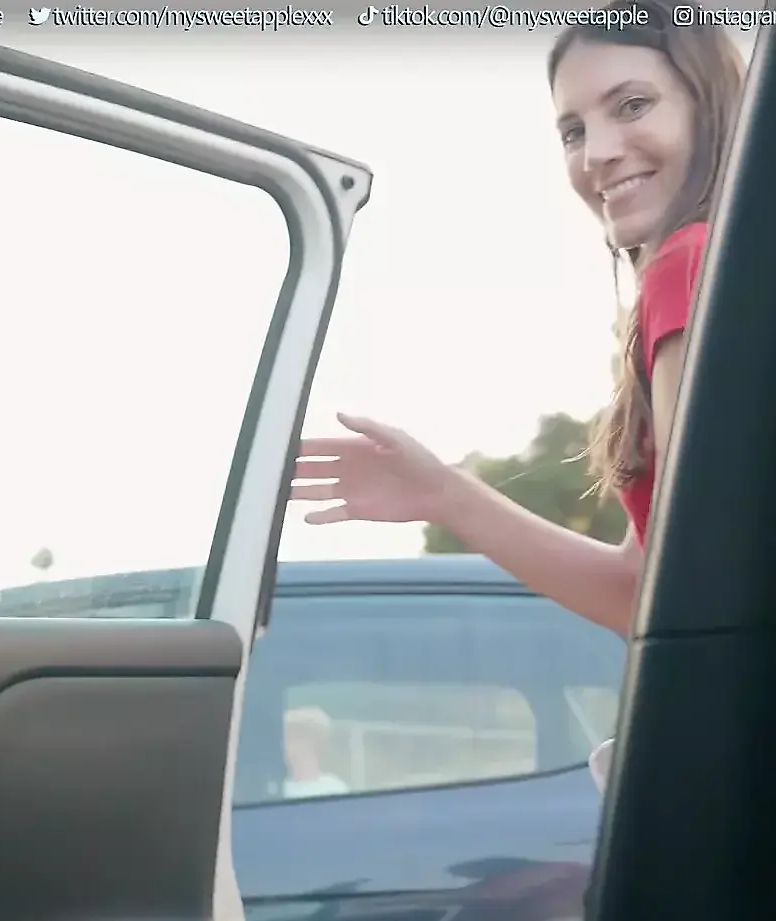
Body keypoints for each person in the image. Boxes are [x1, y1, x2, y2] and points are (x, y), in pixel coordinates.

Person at [289, 4, 745, 797]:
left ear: (709, 106)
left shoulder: (687, 265)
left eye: (633, 105)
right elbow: (644, 591)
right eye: (573, 131)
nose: (598, 154)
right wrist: (442, 494)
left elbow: (703, 585)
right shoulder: (727, 273)